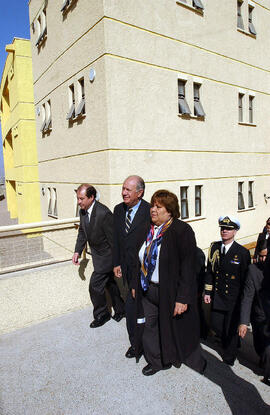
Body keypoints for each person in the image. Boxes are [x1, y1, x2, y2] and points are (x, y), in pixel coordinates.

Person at [134, 189, 206, 376]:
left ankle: (177, 358)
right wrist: (136, 285)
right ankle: (156, 361)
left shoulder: (182, 231)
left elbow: (188, 268)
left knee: (171, 328)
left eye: (159, 207)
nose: (153, 210)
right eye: (152, 205)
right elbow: (139, 260)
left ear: (170, 211)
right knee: (149, 326)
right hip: (148, 288)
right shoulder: (147, 229)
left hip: (170, 292)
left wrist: (183, 298)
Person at [72, 184, 125, 328]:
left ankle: (102, 315)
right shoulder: (83, 211)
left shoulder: (104, 213)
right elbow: (83, 232)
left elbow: (114, 241)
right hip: (97, 256)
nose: (79, 202)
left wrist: (116, 263)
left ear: (91, 197)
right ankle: (121, 309)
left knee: (95, 286)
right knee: (110, 284)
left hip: (107, 257)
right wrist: (77, 251)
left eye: (81, 198)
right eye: (77, 198)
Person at [204, 215, 251, 366]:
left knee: (230, 328)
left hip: (234, 298)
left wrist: (244, 303)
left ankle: (230, 356)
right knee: (217, 325)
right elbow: (210, 272)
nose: (224, 231)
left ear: (235, 231)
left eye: (228, 229)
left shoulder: (242, 253)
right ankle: (231, 342)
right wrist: (208, 292)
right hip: (218, 296)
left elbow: (245, 280)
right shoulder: (214, 247)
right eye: (223, 228)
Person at [113, 175, 150, 358]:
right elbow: (116, 240)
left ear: (140, 192)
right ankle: (136, 344)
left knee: (141, 310)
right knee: (132, 308)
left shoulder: (150, 211)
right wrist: (117, 262)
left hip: (144, 272)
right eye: (123, 188)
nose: (124, 193)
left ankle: (142, 345)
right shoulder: (118, 210)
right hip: (127, 271)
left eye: (128, 189)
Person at [239, 239, 270, 386]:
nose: (263, 259)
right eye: (261, 256)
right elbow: (247, 297)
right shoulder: (253, 270)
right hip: (259, 316)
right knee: (261, 347)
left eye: (266, 256)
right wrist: (244, 322)